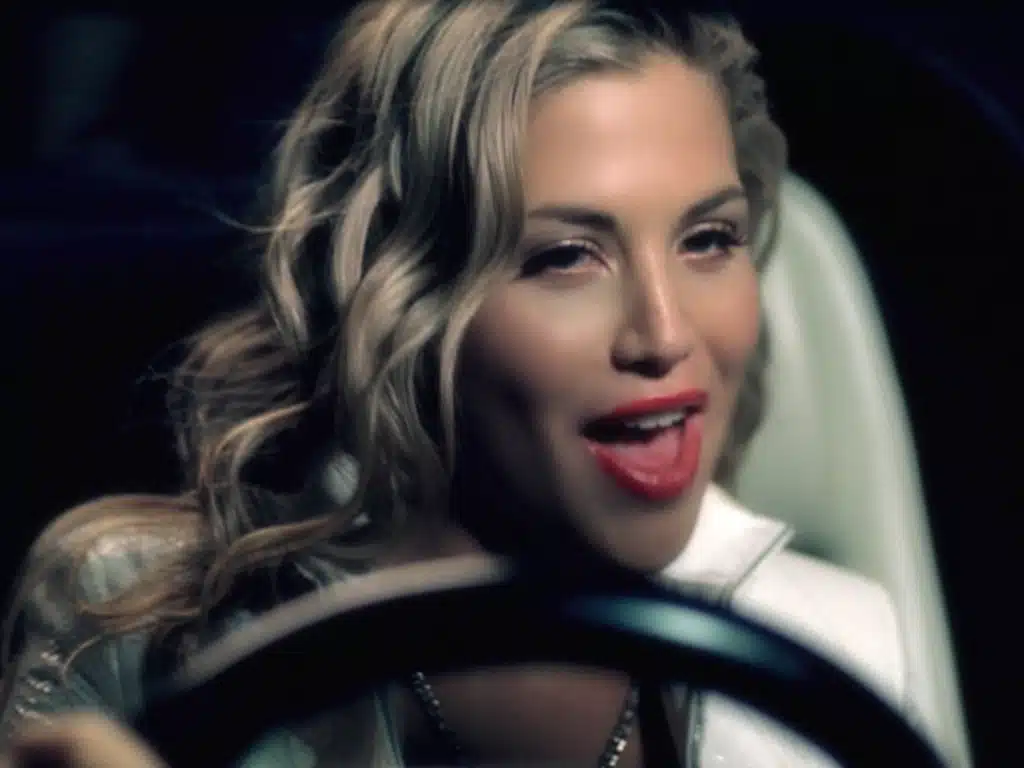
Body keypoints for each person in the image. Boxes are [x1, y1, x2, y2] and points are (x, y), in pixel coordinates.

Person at [0, 0, 913, 765]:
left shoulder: (842, 646)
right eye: (566, 256)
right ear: (405, 293)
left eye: (709, 240)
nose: (665, 334)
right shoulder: (138, 626)